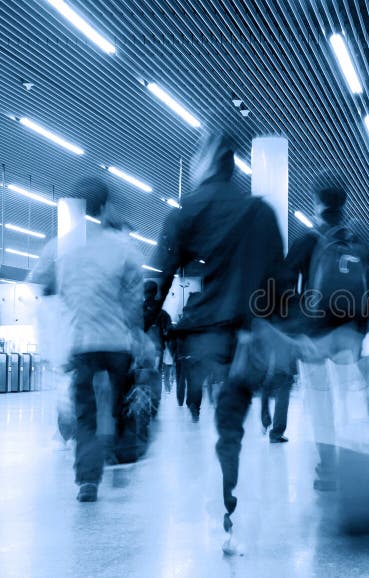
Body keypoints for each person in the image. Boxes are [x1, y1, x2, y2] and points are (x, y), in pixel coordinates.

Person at [145, 133, 300, 541]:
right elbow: (281, 283)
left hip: (205, 338)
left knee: (222, 417)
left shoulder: (187, 209)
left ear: (207, 162)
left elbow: (156, 280)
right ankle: (235, 505)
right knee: (233, 417)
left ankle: (227, 501)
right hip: (251, 335)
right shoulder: (260, 212)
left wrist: (144, 327)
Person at [29, 178, 143, 502]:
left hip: (81, 343)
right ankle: (121, 456)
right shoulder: (123, 248)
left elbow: (42, 286)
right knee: (122, 402)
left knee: (85, 414)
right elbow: (134, 301)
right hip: (118, 342)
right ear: (105, 207)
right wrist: (137, 336)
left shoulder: (60, 247)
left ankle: (88, 481)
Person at [283, 172, 369, 491]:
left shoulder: (308, 239)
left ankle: (328, 470)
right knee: (351, 397)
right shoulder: (358, 241)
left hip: (315, 335)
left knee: (320, 403)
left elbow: (283, 284)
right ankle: (358, 462)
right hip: (349, 332)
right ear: (344, 201)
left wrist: (296, 327)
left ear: (316, 200)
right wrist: (361, 328)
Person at [143, 280, 171, 416]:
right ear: (156, 293)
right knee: (156, 375)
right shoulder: (162, 313)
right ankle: (155, 403)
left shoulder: (138, 310)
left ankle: (141, 400)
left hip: (141, 350)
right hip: (157, 349)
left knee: (139, 373)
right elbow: (169, 331)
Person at [260, 360, 294, 443]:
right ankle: (276, 433)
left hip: (266, 364)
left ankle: (265, 422)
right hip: (281, 368)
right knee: (282, 399)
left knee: (265, 393)